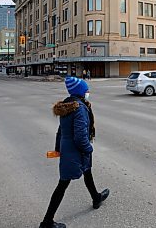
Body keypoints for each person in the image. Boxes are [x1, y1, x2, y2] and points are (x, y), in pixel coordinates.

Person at [39, 77, 109, 228]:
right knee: (63, 184)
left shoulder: (68, 105)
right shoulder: (79, 108)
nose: (88, 92)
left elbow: (61, 131)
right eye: (86, 90)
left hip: (68, 149)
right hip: (75, 151)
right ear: (80, 92)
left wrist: (58, 148)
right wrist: (88, 149)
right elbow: (80, 136)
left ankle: (96, 198)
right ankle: (47, 222)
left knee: (87, 172)